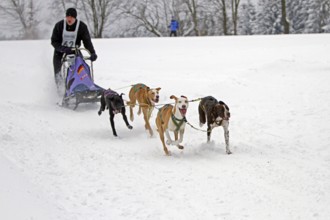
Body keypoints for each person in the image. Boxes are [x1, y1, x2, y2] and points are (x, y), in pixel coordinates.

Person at [51, 8, 97, 87]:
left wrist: (92, 53)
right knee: (57, 71)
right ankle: (60, 90)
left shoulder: (82, 27)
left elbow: (87, 42)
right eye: (68, 16)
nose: (69, 19)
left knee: (80, 67)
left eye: (72, 17)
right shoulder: (59, 25)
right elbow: (54, 41)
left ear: (75, 18)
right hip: (60, 51)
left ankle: (83, 86)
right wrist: (62, 48)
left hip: (74, 50)